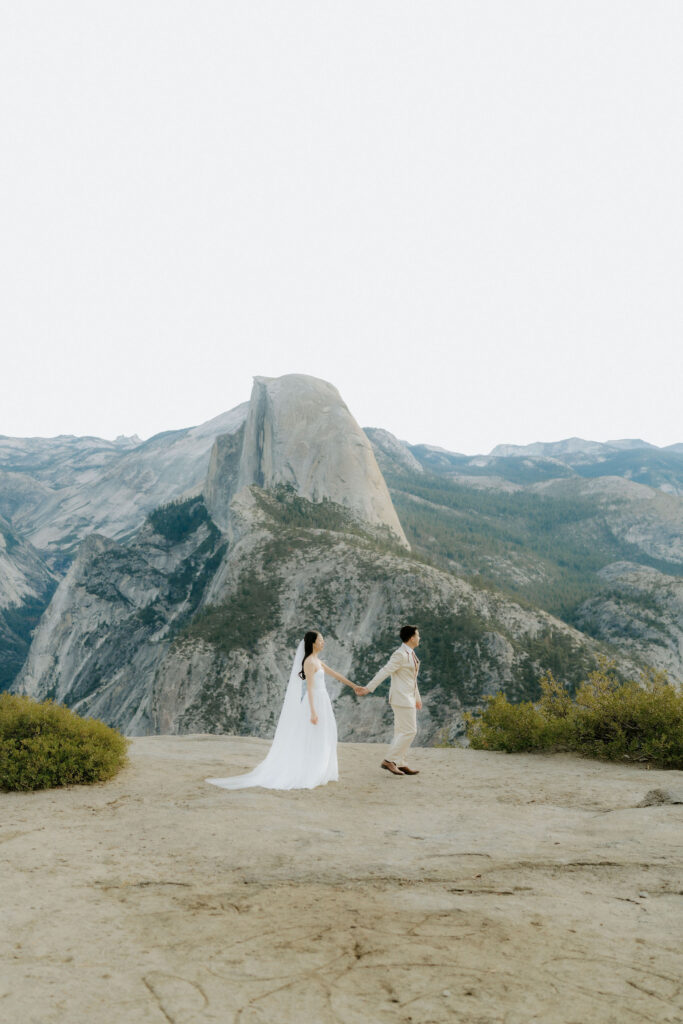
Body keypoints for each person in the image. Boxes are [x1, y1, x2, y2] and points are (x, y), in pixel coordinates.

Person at [205, 631, 363, 791]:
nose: (323, 642)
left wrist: (354, 686)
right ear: (313, 643)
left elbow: (335, 674)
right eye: (320, 640)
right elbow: (309, 688)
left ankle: (321, 769)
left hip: (323, 701)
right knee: (312, 736)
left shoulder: (317, 661)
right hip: (314, 702)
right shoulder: (309, 662)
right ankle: (312, 771)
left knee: (325, 734)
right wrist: (313, 712)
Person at [362, 625, 422, 776]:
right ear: (412, 638)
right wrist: (369, 688)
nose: (419, 638)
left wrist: (417, 698)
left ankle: (401, 763)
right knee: (410, 731)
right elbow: (385, 671)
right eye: (418, 635)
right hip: (401, 698)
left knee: (401, 732)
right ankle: (389, 760)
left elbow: (412, 679)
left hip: (408, 698)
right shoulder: (400, 654)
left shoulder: (411, 653)